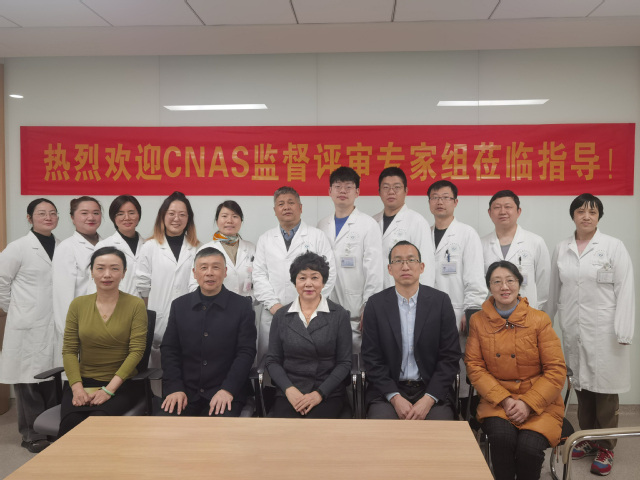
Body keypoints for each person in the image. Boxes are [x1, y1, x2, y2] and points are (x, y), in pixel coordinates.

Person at [547, 194, 634, 476]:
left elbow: (625, 289)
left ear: (599, 217)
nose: (586, 216)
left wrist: (624, 328)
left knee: (605, 390)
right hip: (574, 328)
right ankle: (587, 438)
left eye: (592, 212)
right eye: (581, 211)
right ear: (573, 215)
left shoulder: (613, 246)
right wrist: (545, 324)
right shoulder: (562, 248)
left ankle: (606, 446)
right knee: (582, 386)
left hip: (606, 331)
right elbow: (553, 290)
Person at [465, 261, 567, 480]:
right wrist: (504, 399)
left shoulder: (539, 319)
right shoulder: (478, 321)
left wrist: (528, 403)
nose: (504, 287)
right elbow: (474, 366)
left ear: (519, 284)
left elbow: (556, 369)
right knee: (501, 439)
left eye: (510, 280)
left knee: (529, 447)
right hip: (497, 400)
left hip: (540, 401)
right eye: (497, 282)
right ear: (489, 287)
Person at [361, 241, 461, 420]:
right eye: (398, 261)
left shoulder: (440, 302)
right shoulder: (375, 305)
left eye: (411, 260)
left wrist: (429, 399)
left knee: (439, 431)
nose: (405, 266)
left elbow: (450, 357)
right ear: (390, 269)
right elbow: (371, 358)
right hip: (388, 391)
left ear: (421, 267)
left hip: (431, 389)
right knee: (382, 429)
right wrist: (394, 397)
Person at [58, 247, 147, 437]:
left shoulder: (136, 304)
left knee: (98, 423)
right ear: (91, 272)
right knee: (71, 424)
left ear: (124, 273)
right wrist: (77, 388)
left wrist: (108, 390)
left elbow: (137, 351)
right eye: (100, 268)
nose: (107, 274)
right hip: (83, 382)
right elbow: (69, 351)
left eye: (114, 268)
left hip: (122, 384)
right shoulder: (78, 305)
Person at [159, 248, 257, 417]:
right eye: (203, 267)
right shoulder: (179, 305)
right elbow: (169, 350)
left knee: (218, 431)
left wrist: (228, 389)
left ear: (225, 272)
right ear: (194, 273)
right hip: (185, 392)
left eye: (216, 267)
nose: (209, 273)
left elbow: (246, 352)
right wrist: (175, 387)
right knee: (165, 427)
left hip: (226, 391)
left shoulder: (242, 306)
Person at [0, 199, 60, 453]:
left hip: (53, 323)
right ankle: (31, 433)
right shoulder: (18, 248)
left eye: (52, 213)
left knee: (52, 378)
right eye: (41, 213)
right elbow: (1, 281)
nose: (48, 217)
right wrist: (17, 309)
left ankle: (52, 427)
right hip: (26, 323)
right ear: (29, 218)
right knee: (27, 380)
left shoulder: (61, 246)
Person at [253, 186, 336, 363]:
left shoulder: (317, 236)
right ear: (275, 210)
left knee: (307, 363)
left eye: (291, 202)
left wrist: (310, 305)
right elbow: (259, 275)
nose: (286, 207)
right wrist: (274, 305)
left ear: (300, 207)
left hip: (310, 313)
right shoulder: (265, 239)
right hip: (273, 313)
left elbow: (328, 274)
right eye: (281, 204)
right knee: (272, 364)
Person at [266, 252, 352, 418]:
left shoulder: (338, 315)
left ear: (323, 282)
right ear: (295, 282)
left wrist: (319, 394)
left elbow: (344, 363)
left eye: (314, 277)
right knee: (286, 431)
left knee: (317, 430)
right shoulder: (281, 316)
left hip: (327, 392)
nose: (308, 284)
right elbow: (273, 360)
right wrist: (289, 390)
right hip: (290, 392)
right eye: (302, 278)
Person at [428, 180, 487, 402]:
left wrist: (471, 310)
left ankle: (464, 410)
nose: (440, 202)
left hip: (458, 312)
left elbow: (475, 275)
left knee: (461, 366)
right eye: (435, 197)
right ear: (429, 202)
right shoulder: (424, 233)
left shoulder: (467, 234)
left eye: (445, 197)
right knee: (433, 363)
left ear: (455, 202)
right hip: (428, 311)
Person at [317, 166, 383, 353]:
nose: (343, 191)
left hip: (356, 308)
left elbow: (374, 270)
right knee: (327, 357)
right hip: (326, 305)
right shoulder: (322, 225)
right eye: (337, 186)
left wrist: (369, 307)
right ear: (330, 191)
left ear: (357, 192)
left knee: (356, 359)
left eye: (348, 187)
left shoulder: (368, 224)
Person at [136, 191, 200, 369]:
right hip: (159, 319)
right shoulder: (149, 246)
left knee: (189, 370)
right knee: (158, 372)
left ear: (188, 218)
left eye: (182, 214)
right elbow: (142, 287)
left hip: (191, 319)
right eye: (171, 213)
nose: (176, 219)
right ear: (162, 216)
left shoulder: (197, 248)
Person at [481, 190, 550, 311]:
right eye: (497, 207)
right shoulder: (480, 244)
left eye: (508, 207)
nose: (503, 211)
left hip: (528, 312)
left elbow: (544, 283)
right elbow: (478, 283)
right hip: (491, 314)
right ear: (489, 213)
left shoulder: (535, 242)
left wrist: (537, 311)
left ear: (518, 211)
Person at [52, 196, 103, 357]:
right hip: (80, 325)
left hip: (107, 323)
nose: (91, 217)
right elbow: (63, 297)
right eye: (84, 213)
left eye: (96, 213)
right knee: (78, 371)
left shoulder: (107, 244)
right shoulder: (67, 248)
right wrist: (69, 333)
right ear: (72, 218)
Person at [373, 167, 435, 289]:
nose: (391, 192)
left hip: (405, 293)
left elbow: (426, 267)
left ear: (406, 191)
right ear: (379, 191)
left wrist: (423, 297)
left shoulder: (417, 222)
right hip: (374, 293)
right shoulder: (372, 222)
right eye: (386, 187)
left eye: (397, 187)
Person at [188, 200, 256, 299]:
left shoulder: (251, 248)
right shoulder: (204, 250)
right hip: (215, 307)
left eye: (235, 216)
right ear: (217, 221)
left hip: (247, 305)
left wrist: (250, 299)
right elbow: (194, 285)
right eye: (224, 216)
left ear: (241, 221)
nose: (229, 220)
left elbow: (260, 279)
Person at [87, 195, 144, 297]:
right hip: (114, 302)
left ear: (138, 215)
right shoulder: (104, 245)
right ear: (114, 217)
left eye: (131, 213)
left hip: (143, 304)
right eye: (120, 214)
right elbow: (95, 281)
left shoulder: (148, 245)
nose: (127, 218)